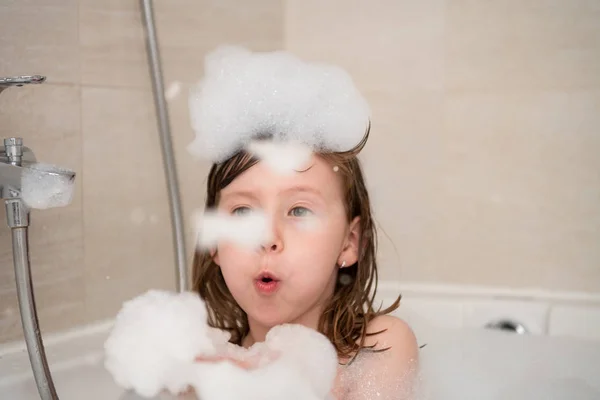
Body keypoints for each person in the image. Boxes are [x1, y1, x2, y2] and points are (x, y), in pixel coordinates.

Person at [189, 46, 419, 399]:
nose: (266, 238)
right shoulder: (208, 368)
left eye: (298, 211)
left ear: (349, 243)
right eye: (243, 212)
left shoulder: (378, 347)